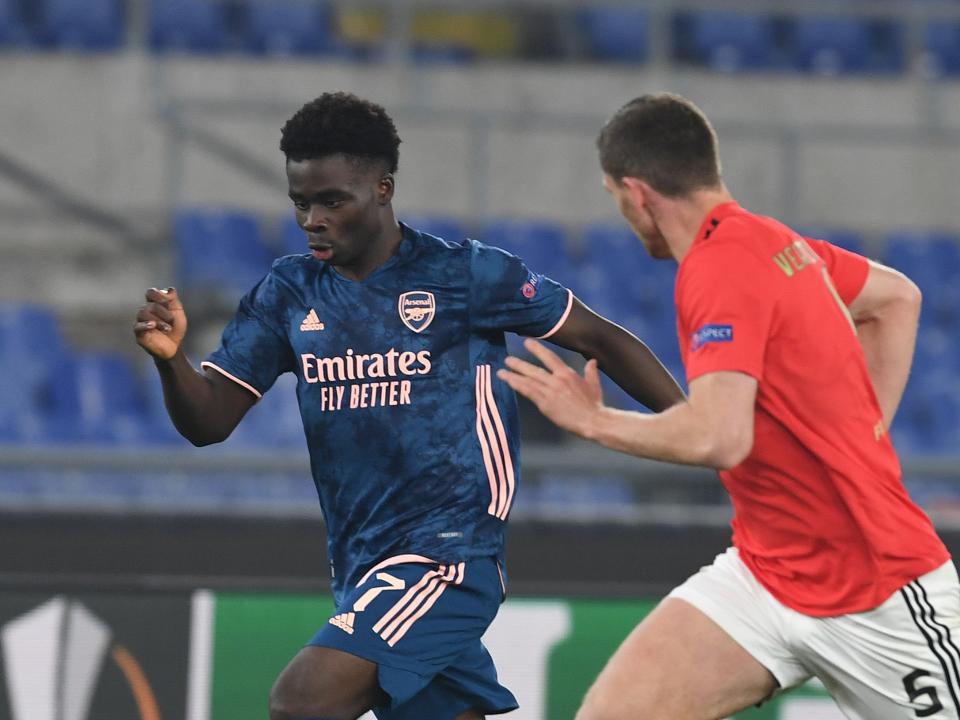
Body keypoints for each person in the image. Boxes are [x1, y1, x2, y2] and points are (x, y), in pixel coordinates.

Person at [134, 92, 684, 720]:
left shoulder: (463, 276)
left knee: (302, 702)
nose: (312, 218)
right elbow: (209, 422)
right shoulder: (288, 293)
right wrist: (170, 360)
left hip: (448, 556)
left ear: (383, 189)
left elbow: (601, 337)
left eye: (331, 200)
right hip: (361, 564)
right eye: (300, 202)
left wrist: (693, 426)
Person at [498, 92, 959, 720]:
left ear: (637, 194)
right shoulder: (775, 241)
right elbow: (896, 299)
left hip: (877, 590)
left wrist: (593, 421)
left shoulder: (717, 269)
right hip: (765, 574)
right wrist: (857, 433)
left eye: (615, 200)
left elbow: (720, 437)